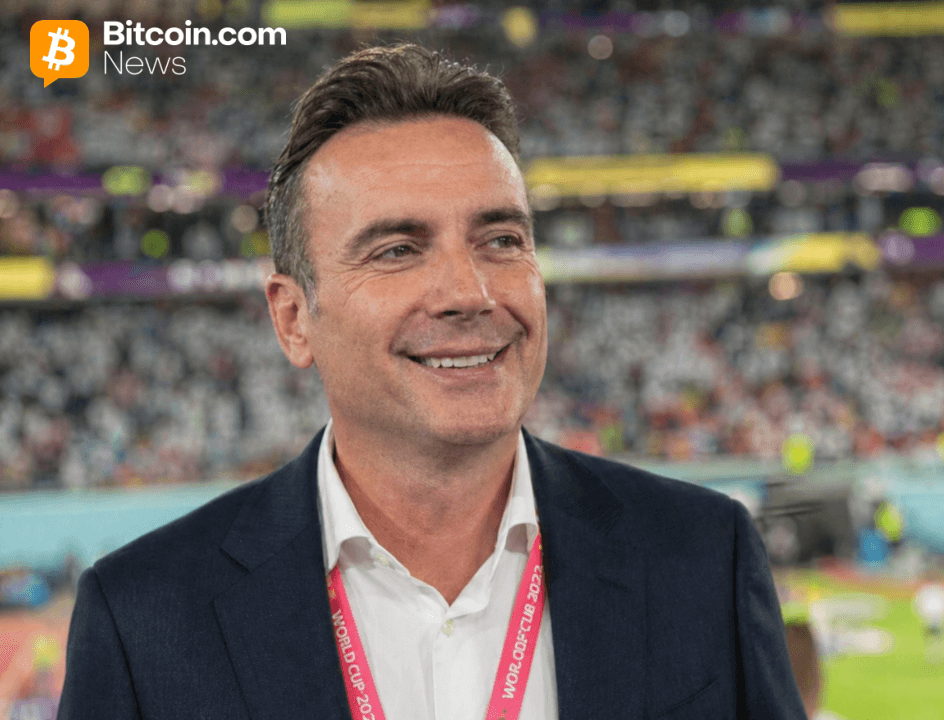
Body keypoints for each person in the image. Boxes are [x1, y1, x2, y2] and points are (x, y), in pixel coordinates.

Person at [57, 45, 806, 720]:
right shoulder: (144, 618)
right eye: (397, 250)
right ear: (293, 319)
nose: (468, 292)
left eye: (501, 239)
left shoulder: (704, 558)